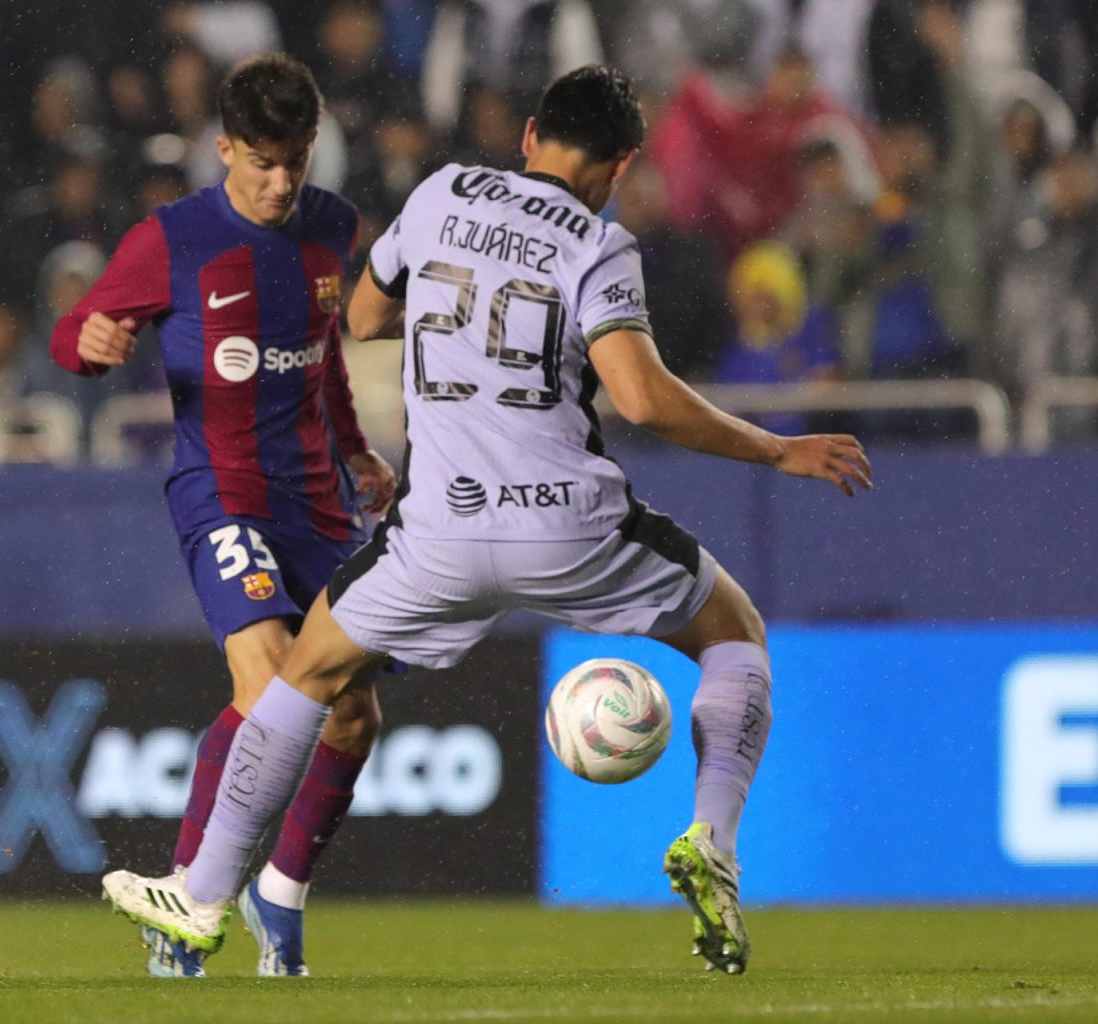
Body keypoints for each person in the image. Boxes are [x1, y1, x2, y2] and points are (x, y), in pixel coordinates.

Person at [101, 64, 870, 977]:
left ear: (531, 135)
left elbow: (364, 315)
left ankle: (201, 898)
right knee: (734, 631)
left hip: (440, 535)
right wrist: (778, 450)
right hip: (571, 528)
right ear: (622, 163)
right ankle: (714, 838)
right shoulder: (601, 243)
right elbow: (642, 398)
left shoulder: (440, 194)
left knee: (303, 677)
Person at [50, 52, 396, 979]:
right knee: (272, 684)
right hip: (223, 491)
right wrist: (89, 344)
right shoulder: (170, 239)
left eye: (297, 160)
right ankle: (186, 911)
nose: (282, 183)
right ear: (224, 148)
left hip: (319, 501)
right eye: (262, 162)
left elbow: (320, 354)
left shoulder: (333, 226)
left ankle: (276, 891)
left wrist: (356, 446)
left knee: (354, 714)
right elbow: (74, 334)